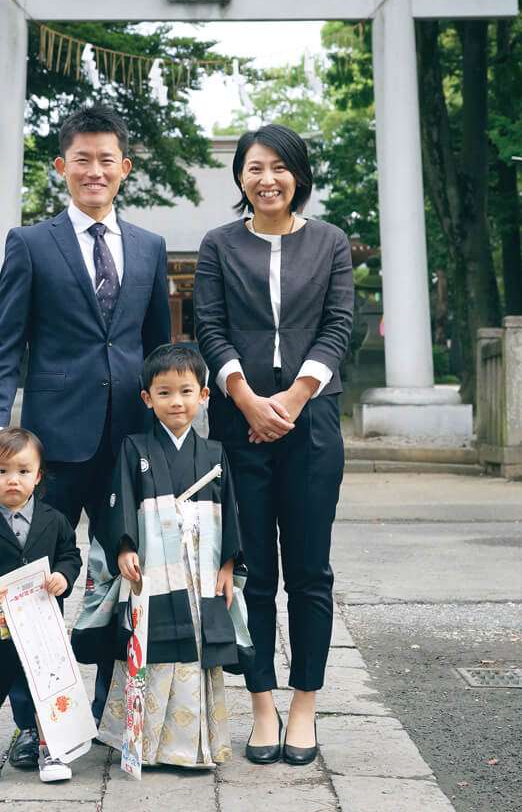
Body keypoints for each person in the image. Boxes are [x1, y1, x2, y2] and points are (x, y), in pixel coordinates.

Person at [0, 103, 171, 768]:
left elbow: (160, 352)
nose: (94, 170)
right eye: (82, 158)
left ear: (125, 169)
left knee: (122, 580)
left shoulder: (150, 247)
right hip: (51, 446)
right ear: (62, 167)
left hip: (129, 444)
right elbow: (4, 348)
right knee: (34, 588)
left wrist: (173, 434)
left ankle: (113, 716)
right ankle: (36, 723)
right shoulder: (30, 244)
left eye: (107, 159)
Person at [194, 125, 354, 766]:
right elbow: (208, 325)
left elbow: (340, 324)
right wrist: (247, 400)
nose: (267, 179)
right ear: (240, 177)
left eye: (280, 168)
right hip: (239, 429)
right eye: (255, 167)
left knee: (310, 573)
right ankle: (261, 704)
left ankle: (304, 705)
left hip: (311, 428)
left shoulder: (330, 243)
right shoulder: (218, 245)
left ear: (298, 176)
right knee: (252, 573)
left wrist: (290, 401)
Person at [72, 344, 254, 769]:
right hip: (153, 566)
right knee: (148, 642)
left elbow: (230, 510)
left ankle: (193, 747)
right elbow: (119, 503)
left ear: (204, 396)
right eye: (165, 392)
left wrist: (229, 565)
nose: (177, 402)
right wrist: (125, 547)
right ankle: (143, 743)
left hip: (200, 567)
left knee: (195, 643)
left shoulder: (214, 454)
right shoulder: (134, 449)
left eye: (187, 391)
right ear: (147, 398)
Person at [0, 427, 82, 786]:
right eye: (3, 471)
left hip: (40, 625)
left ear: (38, 476)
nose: (13, 481)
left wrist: (63, 577)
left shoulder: (54, 520)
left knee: (44, 688)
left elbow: (71, 556)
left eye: (23, 472)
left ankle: (49, 747)